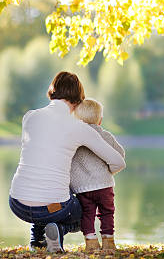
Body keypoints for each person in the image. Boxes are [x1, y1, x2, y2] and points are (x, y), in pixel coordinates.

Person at [8, 71, 126, 253]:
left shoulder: (29, 117)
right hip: (52, 208)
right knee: (86, 210)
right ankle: (59, 230)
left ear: (52, 92)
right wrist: (103, 175)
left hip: (17, 203)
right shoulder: (78, 128)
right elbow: (117, 160)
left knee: (46, 186)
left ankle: (37, 241)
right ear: (79, 99)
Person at [70, 99, 125, 252]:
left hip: (82, 187)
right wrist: (108, 171)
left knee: (87, 214)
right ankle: (108, 242)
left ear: (76, 119)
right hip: (104, 185)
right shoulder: (105, 135)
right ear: (99, 120)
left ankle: (91, 243)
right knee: (107, 213)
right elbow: (120, 154)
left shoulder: (74, 137)